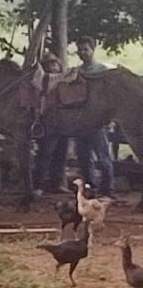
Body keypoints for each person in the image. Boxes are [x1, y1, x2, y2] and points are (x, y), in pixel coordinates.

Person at [71, 36, 114, 197]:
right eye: (80, 50)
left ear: (92, 50)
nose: (83, 53)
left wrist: (108, 117)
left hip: (97, 121)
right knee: (83, 158)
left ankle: (108, 190)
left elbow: (110, 97)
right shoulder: (77, 71)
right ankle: (90, 188)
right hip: (80, 121)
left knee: (103, 158)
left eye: (86, 49)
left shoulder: (103, 71)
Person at [32, 49, 70, 195]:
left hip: (64, 120)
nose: (52, 66)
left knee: (61, 153)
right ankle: (39, 184)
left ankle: (56, 182)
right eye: (49, 64)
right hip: (48, 119)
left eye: (54, 63)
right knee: (45, 153)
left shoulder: (64, 78)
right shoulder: (43, 79)